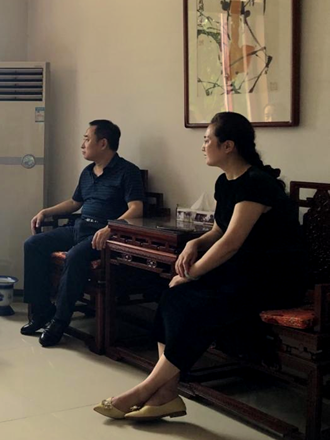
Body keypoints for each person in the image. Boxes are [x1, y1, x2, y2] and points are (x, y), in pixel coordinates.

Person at [95, 112, 304, 421]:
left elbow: (231, 242)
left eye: (207, 140)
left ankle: (144, 390)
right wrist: (194, 243)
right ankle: (167, 394)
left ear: (228, 146)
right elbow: (220, 230)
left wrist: (192, 273)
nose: (203, 146)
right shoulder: (226, 182)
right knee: (172, 296)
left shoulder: (257, 184)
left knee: (197, 305)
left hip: (273, 278)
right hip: (242, 270)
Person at [22, 120, 145, 347]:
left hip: (103, 236)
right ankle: (42, 311)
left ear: (103, 143)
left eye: (87, 139)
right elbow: (74, 203)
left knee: (75, 256)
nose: (82, 144)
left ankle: (59, 322)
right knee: (33, 244)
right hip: (79, 228)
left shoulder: (127, 171)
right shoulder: (88, 172)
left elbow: (137, 208)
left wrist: (112, 227)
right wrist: (46, 211)